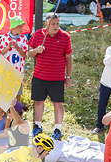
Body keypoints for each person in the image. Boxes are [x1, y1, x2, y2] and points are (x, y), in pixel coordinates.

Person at [28, 13, 72, 141]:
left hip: (57, 78)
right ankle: (38, 126)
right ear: (46, 24)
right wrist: (37, 50)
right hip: (39, 76)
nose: (56, 26)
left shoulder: (65, 36)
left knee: (58, 104)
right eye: (53, 24)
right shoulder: (38, 34)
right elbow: (29, 54)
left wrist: (68, 76)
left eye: (57, 24)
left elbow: (68, 57)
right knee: (39, 102)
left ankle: (58, 129)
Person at [0, 16, 28, 101]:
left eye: (22, 26)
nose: (22, 28)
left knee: (17, 94)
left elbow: (24, 54)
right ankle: (5, 112)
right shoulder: (4, 37)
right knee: (5, 92)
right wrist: (8, 47)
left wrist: (17, 48)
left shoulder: (23, 38)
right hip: (6, 70)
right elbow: (0, 53)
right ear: (13, 27)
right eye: (20, 26)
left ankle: (17, 113)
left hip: (18, 71)